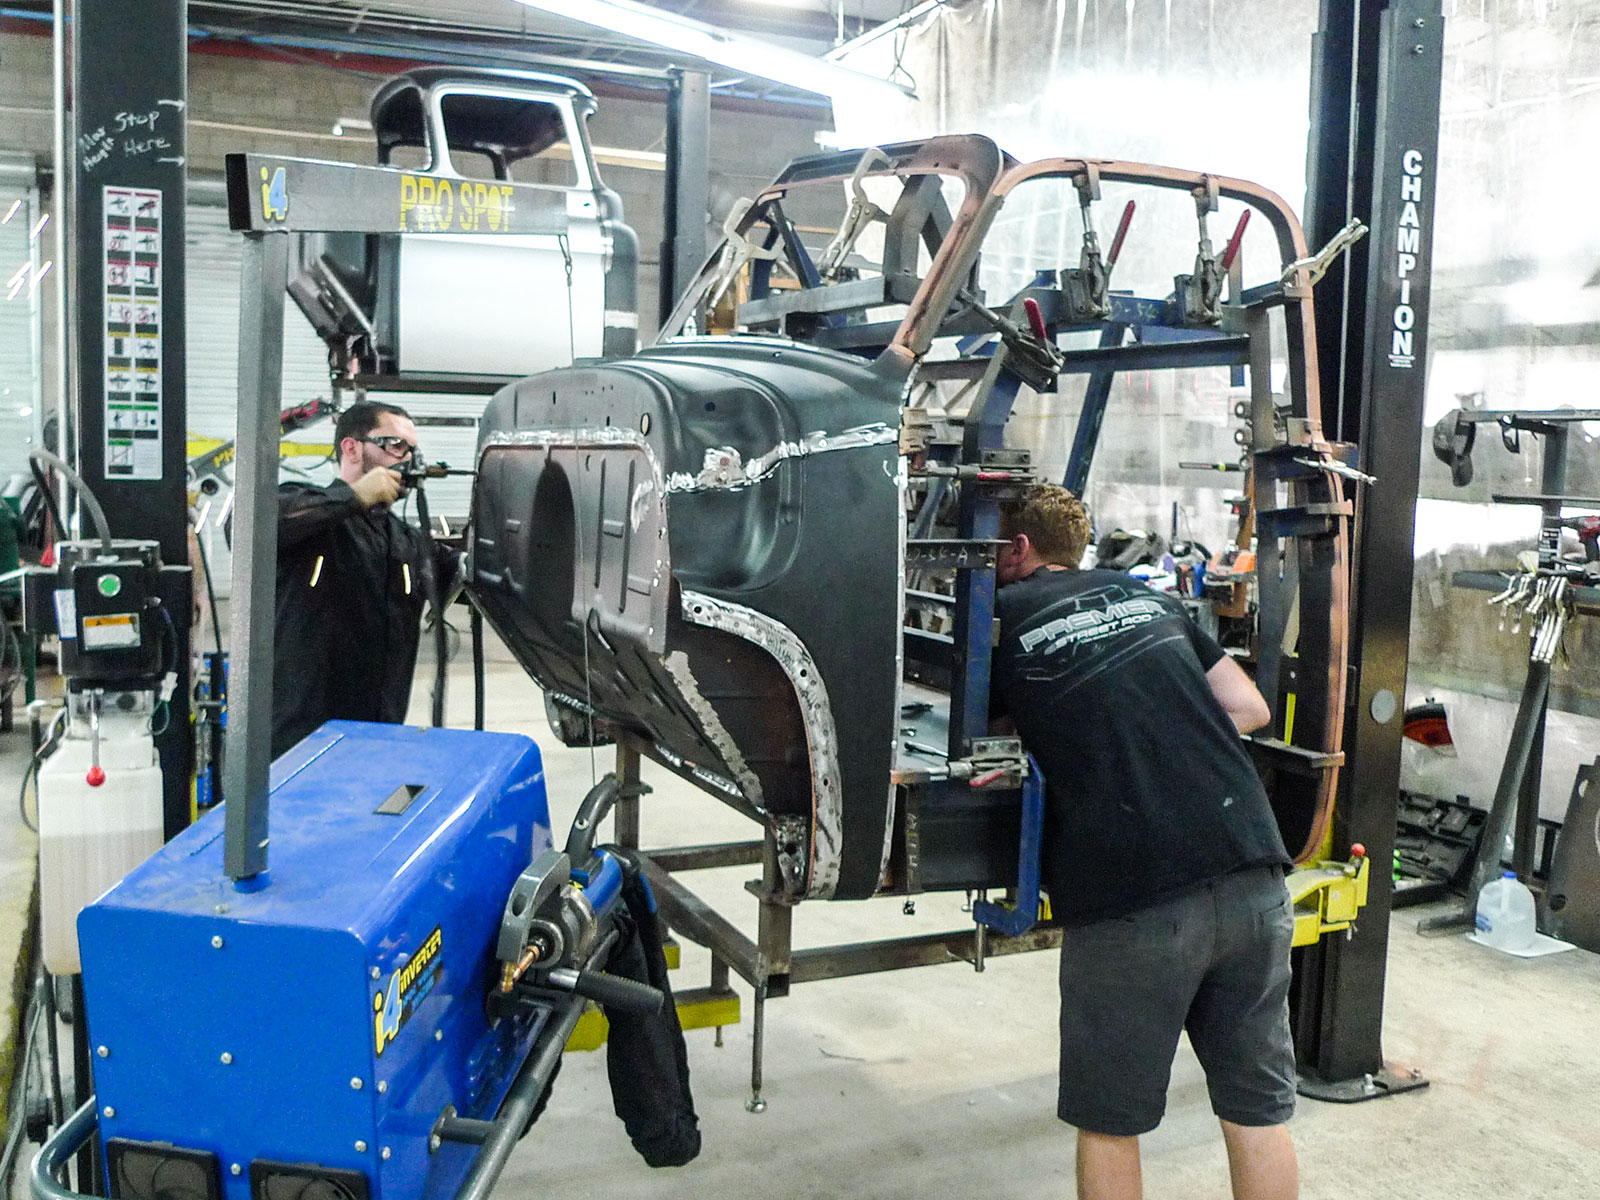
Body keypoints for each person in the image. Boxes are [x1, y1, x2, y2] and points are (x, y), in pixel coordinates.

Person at [988, 484, 1298, 1200]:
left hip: (1134, 897)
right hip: (1253, 870)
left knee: (1111, 1121)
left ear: (1017, 549)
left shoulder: (998, 617)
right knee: (1256, 1111)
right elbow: (1248, 708)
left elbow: (975, 733)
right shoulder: (1150, 598)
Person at [272, 400, 457, 757]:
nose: (409, 460)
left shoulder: (408, 541)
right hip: (301, 744)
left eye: (414, 450)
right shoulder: (303, 511)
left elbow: (474, 572)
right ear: (351, 448)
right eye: (395, 445)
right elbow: (252, 523)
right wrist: (352, 497)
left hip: (378, 742)